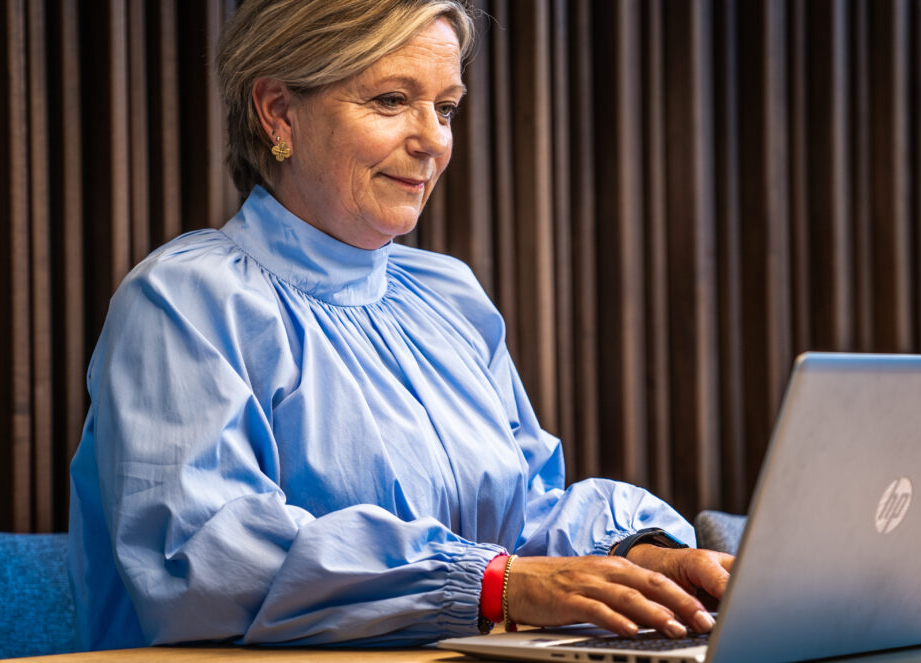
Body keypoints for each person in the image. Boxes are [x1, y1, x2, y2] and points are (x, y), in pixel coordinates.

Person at [67, 0, 733, 650]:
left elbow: (523, 517)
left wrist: (640, 558)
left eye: (445, 107)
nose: (432, 141)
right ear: (278, 113)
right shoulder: (183, 299)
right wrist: (492, 584)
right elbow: (209, 560)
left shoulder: (449, 296)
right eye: (390, 100)